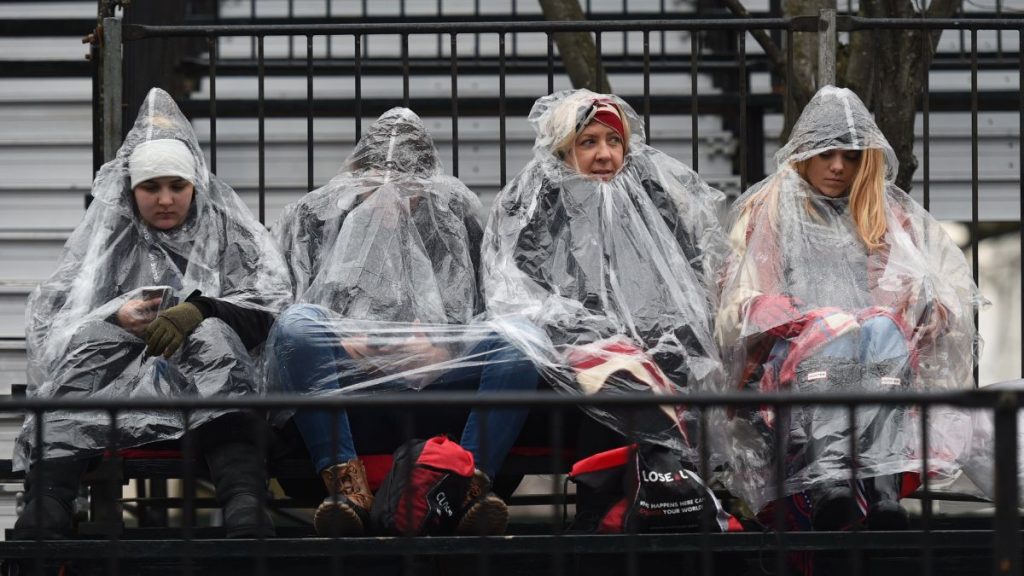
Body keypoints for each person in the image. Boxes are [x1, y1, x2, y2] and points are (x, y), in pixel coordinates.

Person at [13, 88, 293, 539]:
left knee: (214, 337)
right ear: (132, 189)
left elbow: (271, 306)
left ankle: (245, 505)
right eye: (151, 187)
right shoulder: (108, 238)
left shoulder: (230, 230)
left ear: (194, 185)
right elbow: (56, 318)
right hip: (119, 388)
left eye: (177, 186)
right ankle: (47, 504)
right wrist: (114, 319)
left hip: (209, 385)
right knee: (89, 344)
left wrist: (199, 311)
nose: (165, 199)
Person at [715, 85, 981, 532]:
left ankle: (880, 490)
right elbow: (733, 310)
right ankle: (831, 479)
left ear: (868, 161)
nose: (838, 167)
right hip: (785, 369)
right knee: (837, 326)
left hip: (873, 357)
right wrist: (775, 311)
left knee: (880, 329)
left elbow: (939, 293)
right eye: (826, 153)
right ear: (805, 154)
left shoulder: (888, 215)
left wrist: (927, 306)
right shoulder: (768, 210)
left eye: (852, 156)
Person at [269, 107, 540, 537]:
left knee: (522, 339)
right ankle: (345, 486)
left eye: (407, 180)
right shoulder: (316, 222)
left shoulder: (459, 223)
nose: (392, 191)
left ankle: (467, 485)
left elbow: (490, 311)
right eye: (378, 177)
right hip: (347, 393)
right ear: (358, 176)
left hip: (438, 393)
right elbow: (285, 316)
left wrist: (444, 352)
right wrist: (338, 338)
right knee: (297, 325)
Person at [482, 89, 730, 529]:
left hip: (648, 354)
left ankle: (651, 503)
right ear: (563, 149)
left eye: (613, 142)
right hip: (566, 363)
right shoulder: (535, 205)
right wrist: (593, 336)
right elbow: (518, 294)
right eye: (588, 142)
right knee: (615, 372)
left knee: (665, 358)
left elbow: (690, 284)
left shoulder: (653, 199)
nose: (603, 155)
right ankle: (609, 512)